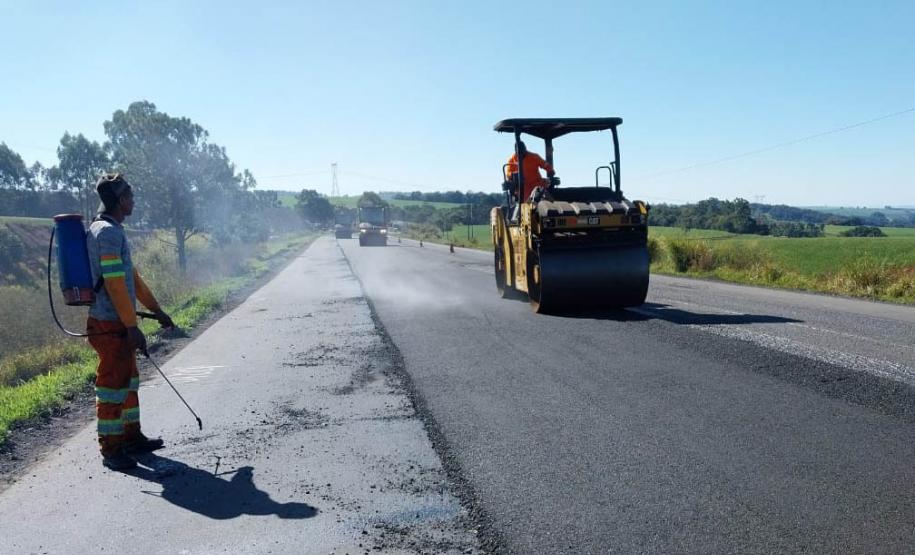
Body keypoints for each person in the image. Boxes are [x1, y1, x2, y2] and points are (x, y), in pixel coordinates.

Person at [87, 173, 175, 471]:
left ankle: (131, 438)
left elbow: (131, 279)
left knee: (128, 383)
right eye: (130, 196)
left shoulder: (112, 231)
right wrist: (130, 326)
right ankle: (111, 450)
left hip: (118, 325)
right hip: (110, 326)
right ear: (120, 199)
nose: (134, 201)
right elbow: (114, 283)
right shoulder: (107, 233)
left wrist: (157, 310)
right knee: (113, 386)